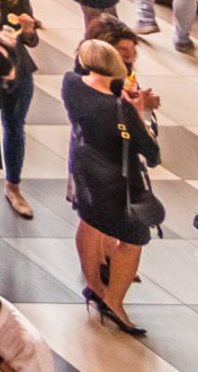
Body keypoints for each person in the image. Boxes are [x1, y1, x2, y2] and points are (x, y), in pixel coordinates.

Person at [63, 37, 162, 337]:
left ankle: (94, 285)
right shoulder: (120, 110)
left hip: (84, 171)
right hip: (117, 182)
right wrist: (139, 110)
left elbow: (98, 88)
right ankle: (114, 302)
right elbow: (152, 154)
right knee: (134, 238)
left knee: (88, 221)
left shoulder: (71, 84)